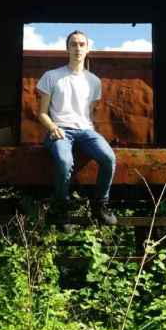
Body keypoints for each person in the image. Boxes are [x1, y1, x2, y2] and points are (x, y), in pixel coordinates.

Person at [36, 30, 117, 226]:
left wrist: (89, 133)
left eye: (82, 44)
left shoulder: (94, 81)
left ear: (88, 49)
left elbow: (87, 113)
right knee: (65, 161)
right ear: (67, 49)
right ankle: (60, 208)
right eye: (73, 44)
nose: (78, 48)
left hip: (85, 131)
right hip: (60, 130)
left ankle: (100, 205)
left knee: (109, 158)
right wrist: (52, 127)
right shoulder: (51, 76)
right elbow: (42, 113)